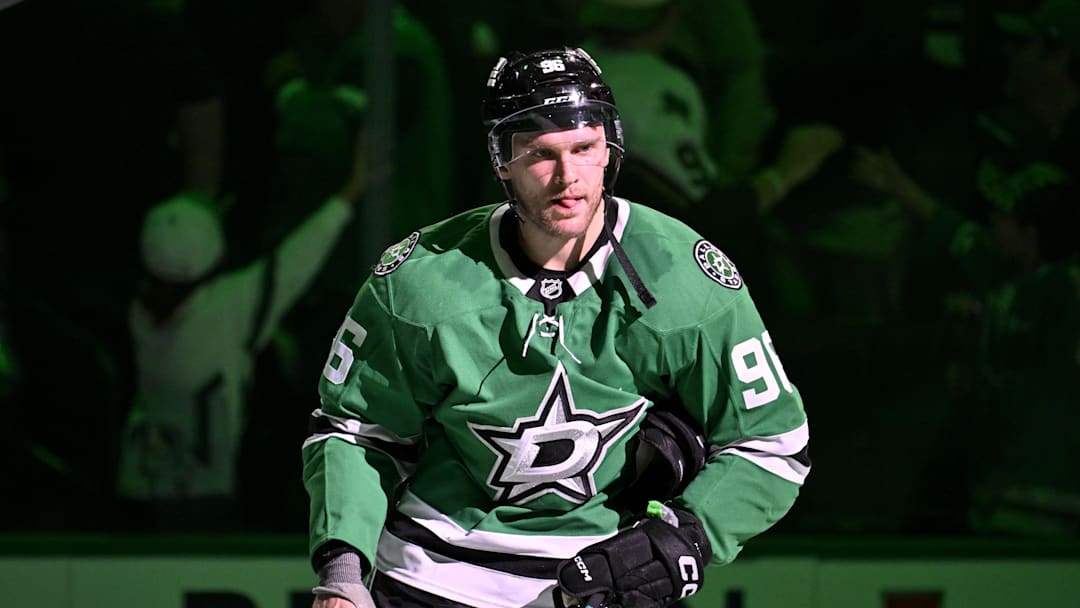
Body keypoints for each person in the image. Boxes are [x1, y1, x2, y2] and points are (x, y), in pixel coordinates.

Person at [302, 47, 810, 608]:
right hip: (430, 576)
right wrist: (343, 576)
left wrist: (685, 536)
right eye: (541, 154)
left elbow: (773, 442)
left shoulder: (687, 281)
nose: (568, 177)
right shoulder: (419, 283)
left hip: (603, 585)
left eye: (585, 148)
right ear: (502, 160)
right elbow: (356, 432)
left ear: (610, 147)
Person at [114, 130, 372, 531]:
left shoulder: (141, 311)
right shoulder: (223, 310)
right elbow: (295, 261)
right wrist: (351, 192)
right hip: (200, 501)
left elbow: (180, 266)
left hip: (138, 489)